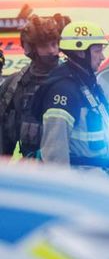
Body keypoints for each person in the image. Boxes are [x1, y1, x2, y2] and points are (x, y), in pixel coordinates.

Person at [33, 21, 109, 175]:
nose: (102, 56)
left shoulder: (89, 86)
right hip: (83, 186)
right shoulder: (63, 91)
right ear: (81, 52)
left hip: (102, 181)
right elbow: (54, 156)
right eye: (97, 51)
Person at [0, 14, 67, 157]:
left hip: (69, 171)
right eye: (44, 45)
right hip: (32, 172)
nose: (52, 51)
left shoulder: (72, 81)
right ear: (29, 49)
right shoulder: (13, 86)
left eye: (54, 44)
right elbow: (4, 141)